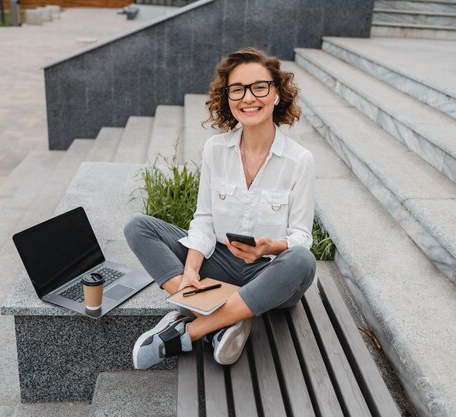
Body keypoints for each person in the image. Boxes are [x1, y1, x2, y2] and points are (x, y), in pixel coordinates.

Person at [124, 47, 316, 370]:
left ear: (277, 95)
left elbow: (301, 237)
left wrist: (272, 246)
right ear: (227, 97)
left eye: (259, 87)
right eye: (237, 89)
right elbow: (204, 219)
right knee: (138, 227)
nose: (248, 97)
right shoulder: (215, 150)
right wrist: (190, 271)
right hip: (220, 264)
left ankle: (190, 330)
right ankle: (223, 316)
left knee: (302, 260)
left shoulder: (300, 161)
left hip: (268, 274)